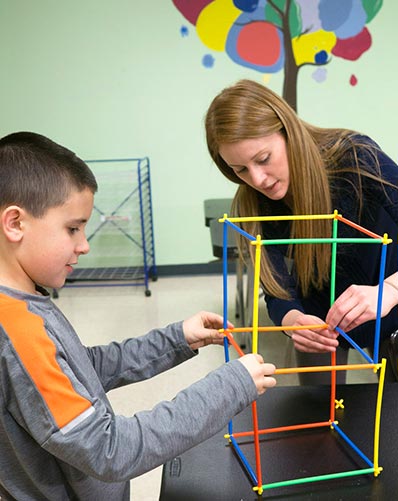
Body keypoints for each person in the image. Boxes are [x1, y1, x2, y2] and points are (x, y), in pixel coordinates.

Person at [0, 131, 277, 500]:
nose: (84, 245)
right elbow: (109, 450)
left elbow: (81, 369)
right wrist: (229, 386)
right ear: (15, 223)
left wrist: (177, 338)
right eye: (73, 228)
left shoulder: (24, 301)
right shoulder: (18, 330)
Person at [205, 79, 398, 385]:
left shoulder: (355, 157)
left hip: (391, 301)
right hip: (323, 320)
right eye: (240, 170)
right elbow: (277, 290)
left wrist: (389, 291)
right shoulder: (253, 205)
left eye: (263, 159)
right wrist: (294, 322)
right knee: (318, 413)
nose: (257, 179)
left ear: (288, 132)